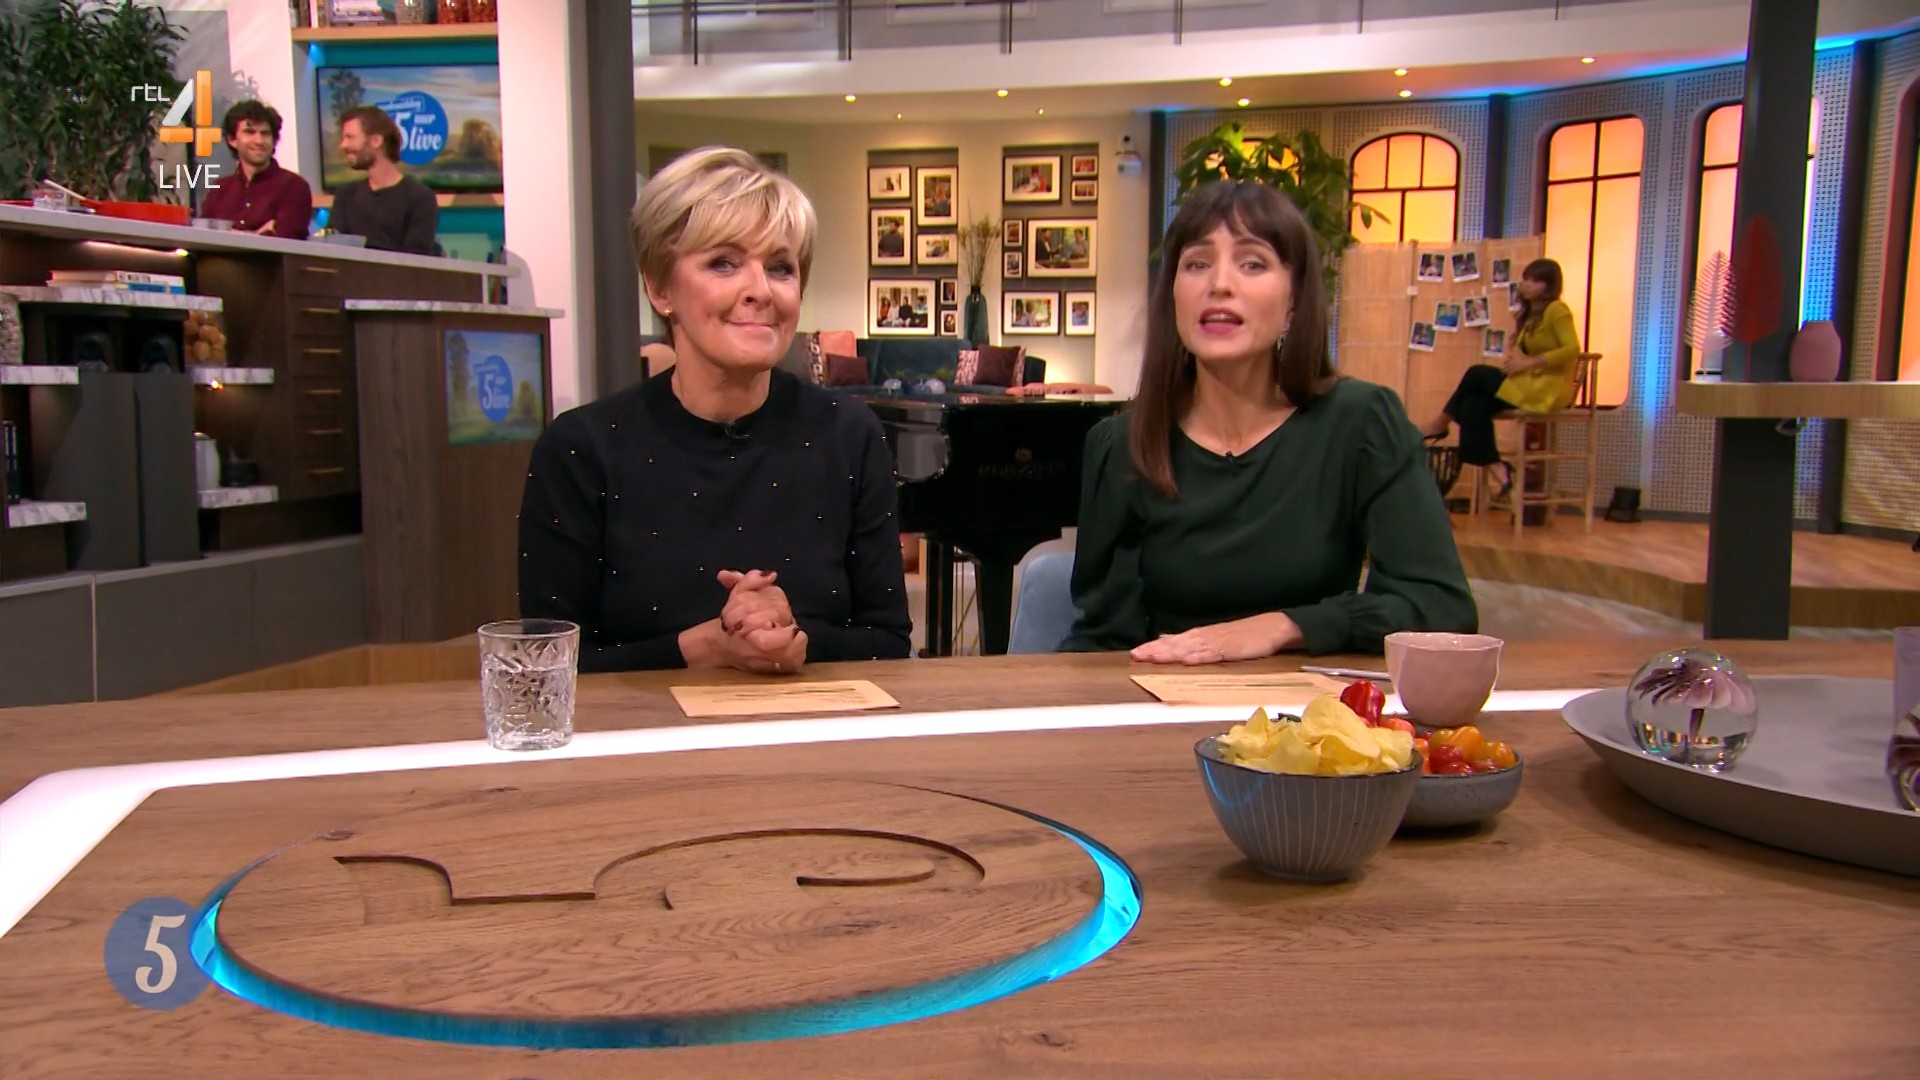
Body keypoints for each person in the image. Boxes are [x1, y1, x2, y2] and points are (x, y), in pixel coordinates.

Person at [517, 147, 911, 673]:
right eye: (723, 263)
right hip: (643, 727)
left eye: (780, 267)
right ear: (659, 287)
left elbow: (888, 642)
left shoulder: (849, 434)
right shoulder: (580, 449)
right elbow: (546, 664)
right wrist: (705, 647)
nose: (760, 290)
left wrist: (791, 636)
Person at [1062, 180, 1475, 661]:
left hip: (1314, 702)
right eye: (1196, 264)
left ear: (1294, 298)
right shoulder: (1122, 444)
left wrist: (1285, 626)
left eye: (1252, 263)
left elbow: (1440, 606)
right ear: (1173, 293)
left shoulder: (1362, 423)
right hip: (1165, 694)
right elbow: (1106, 640)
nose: (1219, 284)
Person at [1422, 258, 1581, 500]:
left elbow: (1572, 349)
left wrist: (1528, 363)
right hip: (1525, 384)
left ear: (1549, 285)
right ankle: (1501, 471)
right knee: (1471, 406)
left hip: (1547, 388)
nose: (1527, 284)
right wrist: (1516, 355)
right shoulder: (1529, 315)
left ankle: (1440, 423)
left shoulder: (1556, 310)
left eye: (1535, 280)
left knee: (1477, 373)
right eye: (1525, 278)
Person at [328, 105, 439, 255]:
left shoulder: (419, 198)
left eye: (350, 137)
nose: (343, 145)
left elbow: (416, 260)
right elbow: (333, 249)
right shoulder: (346, 195)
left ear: (376, 141)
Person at [199, 100, 312, 239]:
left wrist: (228, 233)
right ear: (232, 140)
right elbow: (203, 237)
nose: (259, 141)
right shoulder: (219, 189)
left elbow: (285, 241)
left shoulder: (294, 186)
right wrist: (256, 234)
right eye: (249, 132)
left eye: (265, 133)